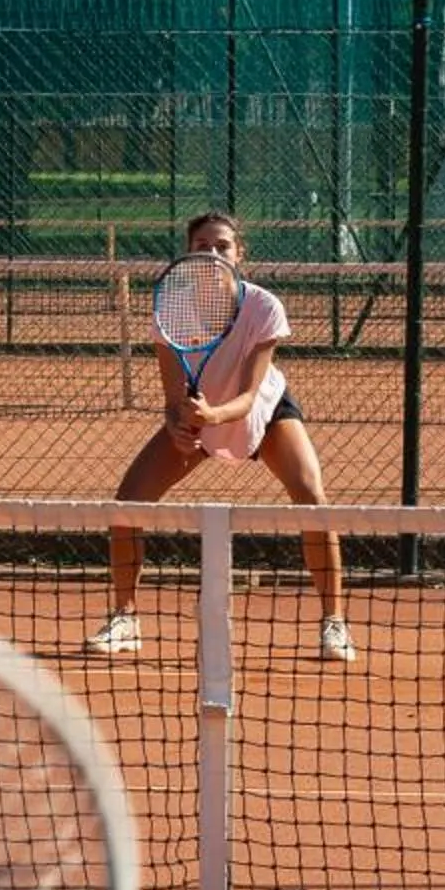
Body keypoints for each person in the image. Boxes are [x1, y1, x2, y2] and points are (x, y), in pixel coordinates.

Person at [85, 211, 356, 664]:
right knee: (127, 503)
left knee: (313, 498)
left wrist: (212, 414)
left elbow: (248, 396)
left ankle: (335, 623)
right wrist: (178, 426)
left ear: (239, 254)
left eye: (222, 246)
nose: (212, 254)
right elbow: (173, 397)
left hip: (264, 412)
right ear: (189, 255)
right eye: (202, 246)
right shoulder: (170, 310)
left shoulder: (264, 308)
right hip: (200, 414)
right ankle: (125, 618)